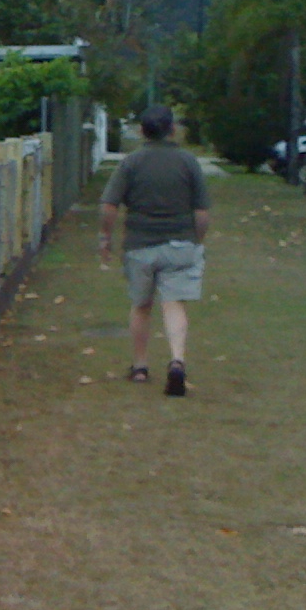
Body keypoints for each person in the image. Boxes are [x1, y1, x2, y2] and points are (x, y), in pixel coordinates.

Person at [98, 105, 210, 396]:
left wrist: (105, 238)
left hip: (140, 245)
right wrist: (197, 240)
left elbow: (109, 206)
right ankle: (177, 360)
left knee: (141, 306)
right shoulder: (188, 162)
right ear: (172, 129)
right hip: (180, 244)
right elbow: (201, 212)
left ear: (141, 131)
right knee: (174, 303)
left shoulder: (131, 163)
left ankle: (140, 365)